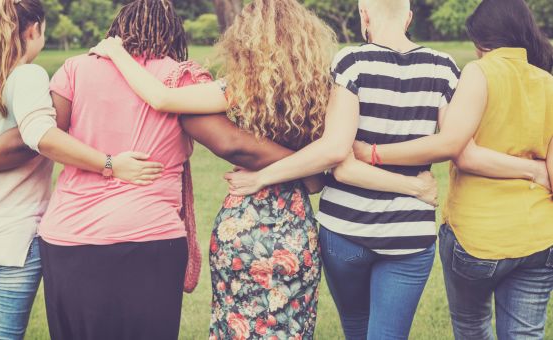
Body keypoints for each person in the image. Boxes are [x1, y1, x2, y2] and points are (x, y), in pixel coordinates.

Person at [90, 0, 441, 338]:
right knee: (289, 327)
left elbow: (162, 98)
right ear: (307, 39)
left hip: (241, 223)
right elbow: (318, 182)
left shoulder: (240, 89)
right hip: (294, 229)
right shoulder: (323, 91)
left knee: (235, 325)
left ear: (245, 40)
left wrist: (117, 52)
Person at [223, 0, 550, 339]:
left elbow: (337, 152)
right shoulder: (444, 67)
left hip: (344, 230)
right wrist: (416, 187)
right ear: (408, 17)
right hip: (409, 234)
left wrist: (261, 176)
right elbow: (455, 146)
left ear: (364, 15)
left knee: (356, 328)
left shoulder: (351, 62)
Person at [0, 0, 159, 339]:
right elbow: (39, 136)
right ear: (34, 30)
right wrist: (110, 164)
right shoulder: (29, 75)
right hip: (10, 240)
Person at [351, 0, 553, 338]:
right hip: (538, 239)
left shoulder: (480, 71)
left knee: (472, 326)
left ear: (481, 41)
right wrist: (531, 172)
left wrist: (373, 152)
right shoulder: (548, 82)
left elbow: (459, 151)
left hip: (478, 238)